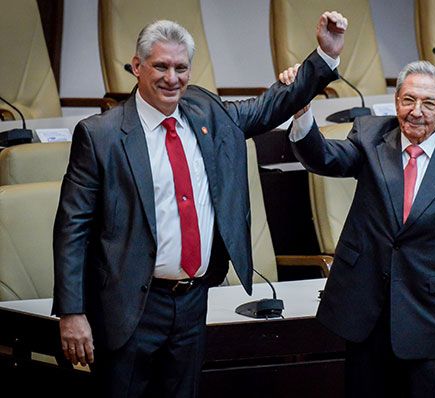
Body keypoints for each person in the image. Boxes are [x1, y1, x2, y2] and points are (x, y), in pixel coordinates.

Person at [52, 12, 347, 397]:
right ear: (137, 67)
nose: (171, 78)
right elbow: (72, 226)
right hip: (130, 307)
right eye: (160, 66)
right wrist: (72, 312)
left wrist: (323, 56)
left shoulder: (206, 111)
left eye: (180, 67)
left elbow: (270, 107)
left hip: (192, 302)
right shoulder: (100, 135)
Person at [283, 60, 435, 397]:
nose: (416, 112)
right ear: (396, 101)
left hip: (433, 317)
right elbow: (322, 157)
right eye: (408, 100)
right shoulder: (370, 136)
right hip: (367, 314)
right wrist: (301, 109)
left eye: (429, 103)